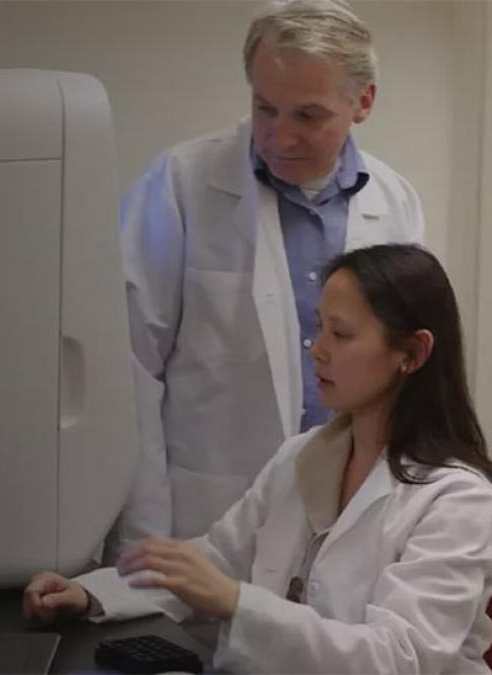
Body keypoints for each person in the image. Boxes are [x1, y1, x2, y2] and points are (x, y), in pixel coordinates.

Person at [24, 245, 492, 674]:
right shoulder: (304, 457)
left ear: (413, 352)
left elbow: (399, 659)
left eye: (340, 334)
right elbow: (217, 562)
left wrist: (236, 602)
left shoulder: (459, 501)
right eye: (320, 328)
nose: (317, 350)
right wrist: (93, 595)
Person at [115, 0, 424, 552]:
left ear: (363, 103)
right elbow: (131, 366)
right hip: (208, 510)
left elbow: (402, 372)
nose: (279, 138)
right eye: (264, 109)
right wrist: (143, 534)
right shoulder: (181, 183)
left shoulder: (395, 202)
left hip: (347, 510)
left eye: (308, 116)